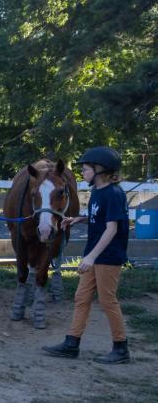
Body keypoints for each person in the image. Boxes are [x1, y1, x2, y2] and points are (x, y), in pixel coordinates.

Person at [43, 146, 131, 364]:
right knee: (81, 297)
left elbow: (112, 229)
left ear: (100, 169)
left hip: (108, 256)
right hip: (94, 254)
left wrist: (91, 257)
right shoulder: (98, 192)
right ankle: (72, 343)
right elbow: (99, 218)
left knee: (107, 300)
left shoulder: (113, 194)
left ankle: (121, 348)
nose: (83, 171)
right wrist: (78, 219)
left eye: (86, 167)